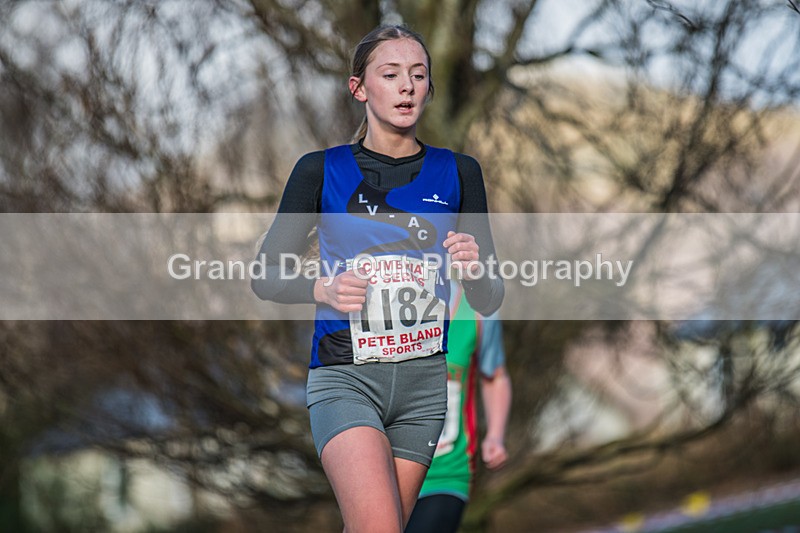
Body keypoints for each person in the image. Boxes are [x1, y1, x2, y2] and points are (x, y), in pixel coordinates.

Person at [252, 24, 503, 532]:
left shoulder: (459, 173)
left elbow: (490, 296)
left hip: (423, 391)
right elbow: (264, 275)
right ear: (359, 87)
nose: (406, 86)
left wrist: (475, 270)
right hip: (347, 378)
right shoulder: (319, 171)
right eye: (390, 75)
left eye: (418, 75)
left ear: (429, 87)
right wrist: (319, 288)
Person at [405, 282, 512, 533]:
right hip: (384, 472)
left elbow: (494, 376)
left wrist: (495, 435)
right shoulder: (377, 299)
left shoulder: (477, 305)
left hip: (446, 472)